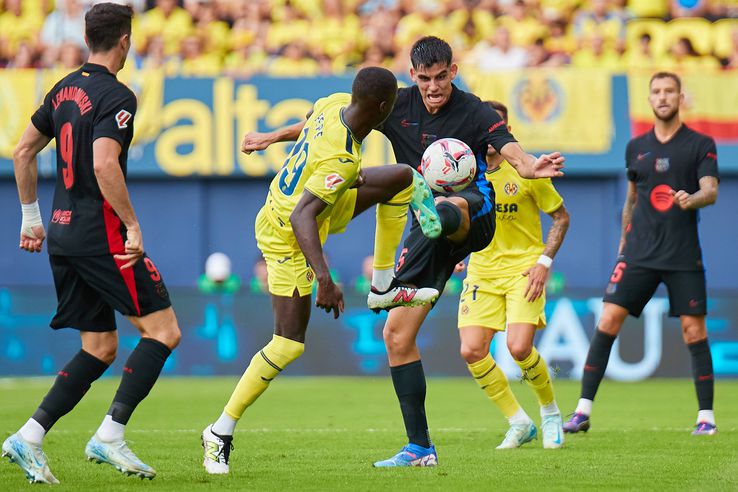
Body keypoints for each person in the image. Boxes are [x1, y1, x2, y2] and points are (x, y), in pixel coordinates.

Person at [242, 36, 565, 467]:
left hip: (472, 214)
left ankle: (432, 226)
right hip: (421, 224)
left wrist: (530, 166)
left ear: (454, 70)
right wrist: (271, 137)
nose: (434, 87)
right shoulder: (396, 105)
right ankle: (420, 448)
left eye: (442, 77)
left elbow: (514, 153)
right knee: (395, 337)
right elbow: (333, 122)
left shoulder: (476, 111)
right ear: (413, 75)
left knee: (449, 202)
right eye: (425, 78)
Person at [200, 66, 442, 475]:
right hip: (287, 234)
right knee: (288, 344)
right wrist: (325, 280)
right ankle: (219, 432)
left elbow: (309, 123)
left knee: (402, 178)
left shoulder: (333, 104)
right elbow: (301, 217)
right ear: (382, 109)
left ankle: (382, 284)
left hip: (316, 202)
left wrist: (269, 137)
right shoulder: (343, 157)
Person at [1, 3, 181, 484]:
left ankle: (29, 437)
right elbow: (104, 165)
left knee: (100, 346)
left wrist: (31, 219)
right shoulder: (117, 94)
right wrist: (133, 225)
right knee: (163, 332)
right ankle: (109, 436)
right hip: (101, 236)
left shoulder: (63, 89)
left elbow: (21, 151)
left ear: (87, 38)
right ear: (125, 40)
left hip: (61, 232)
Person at [564, 72, 719, 436]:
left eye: (669, 91)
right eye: (656, 92)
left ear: (681, 97)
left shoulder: (700, 144)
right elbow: (632, 199)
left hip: (682, 255)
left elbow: (710, 191)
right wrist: (623, 243)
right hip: (639, 253)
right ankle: (582, 412)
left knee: (693, 330)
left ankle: (706, 418)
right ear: (649, 99)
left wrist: (690, 198)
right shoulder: (636, 147)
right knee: (607, 321)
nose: (662, 97)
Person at [457, 101, 570, 450]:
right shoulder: (463, 172)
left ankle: (550, 413)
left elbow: (561, 217)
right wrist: (457, 251)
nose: (494, 134)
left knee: (519, 347)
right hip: (482, 272)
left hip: (523, 268)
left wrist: (544, 263)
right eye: (489, 127)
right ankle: (518, 422)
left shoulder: (526, 168)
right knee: (472, 350)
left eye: (500, 127)